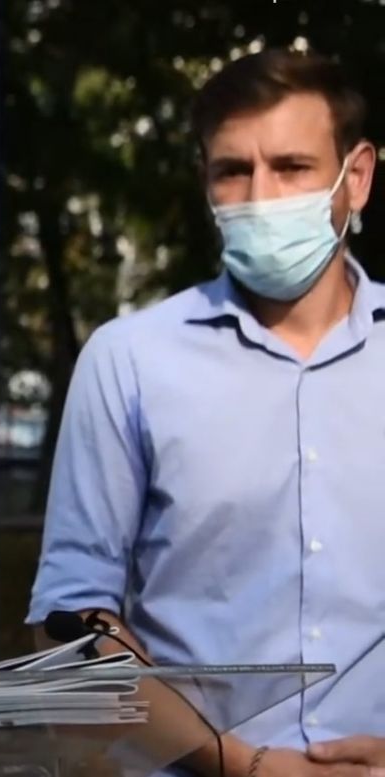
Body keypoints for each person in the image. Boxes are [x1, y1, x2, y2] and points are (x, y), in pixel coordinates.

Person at [27, 49, 385, 777]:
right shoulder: (129, 360)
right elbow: (69, 623)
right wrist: (237, 763)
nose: (260, 196)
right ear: (205, 183)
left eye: (291, 167)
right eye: (233, 171)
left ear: (357, 177)